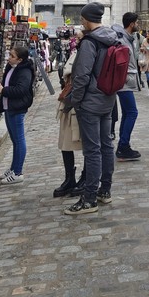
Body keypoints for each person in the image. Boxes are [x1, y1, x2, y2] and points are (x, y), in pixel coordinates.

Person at [64, 1, 118, 215]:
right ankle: (105, 190)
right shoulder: (112, 38)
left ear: (86, 19)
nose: (81, 21)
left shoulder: (90, 42)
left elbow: (82, 75)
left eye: (82, 18)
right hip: (108, 99)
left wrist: (75, 101)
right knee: (106, 146)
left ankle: (89, 199)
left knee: (92, 150)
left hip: (90, 102)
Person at [0, 45, 35, 184]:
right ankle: (13, 168)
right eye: (9, 55)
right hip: (8, 106)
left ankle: (17, 172)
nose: (9, 58)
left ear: (20, 59)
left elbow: (21, 90)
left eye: (12, 56)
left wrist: (2, 90)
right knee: (15, 140)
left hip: (17, 107)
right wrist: (0, 86)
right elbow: (7, 84)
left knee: (19, 140)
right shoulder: (11, 67)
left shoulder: (25, 71)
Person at [53, 30, 84, 197]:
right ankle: (69, 178)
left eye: (79, 38)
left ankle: (85, 178)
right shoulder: (77, 53)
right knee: (65, 142)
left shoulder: (87, 53)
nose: (75, 40)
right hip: (68, 99)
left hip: (79, 102)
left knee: (87, 144)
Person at [111, 12, 142, 161]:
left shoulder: (128, 39)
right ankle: (123, 146)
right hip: (123, 82)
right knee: (132, 112)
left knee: (127, 112)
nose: (138, 25)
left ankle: (123, 145)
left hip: (125, 81)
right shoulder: (122, 40)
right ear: (131, 24)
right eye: (137, 22)